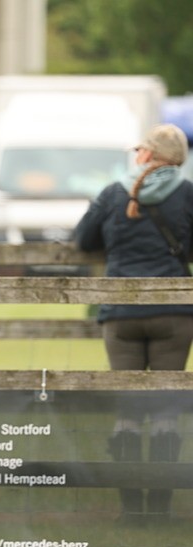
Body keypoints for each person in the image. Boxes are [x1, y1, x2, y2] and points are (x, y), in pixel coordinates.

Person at [74, 123, 193, 520]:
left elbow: (83, 240)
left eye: (140, 149)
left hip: (121, 316)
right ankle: (159, 508)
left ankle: (130, 511)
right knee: (164, 411)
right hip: (174, 314)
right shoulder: (188, 193)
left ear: (148, 155)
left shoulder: (113, 193)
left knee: (127, 409)